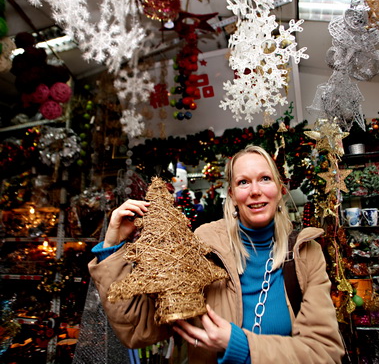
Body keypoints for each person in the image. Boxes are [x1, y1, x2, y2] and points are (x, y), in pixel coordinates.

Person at [89, 145, 345, 363]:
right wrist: (112, 244)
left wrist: (240, 345)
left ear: (280, 189)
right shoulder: (204, 248)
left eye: (265, 179)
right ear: (232, 195)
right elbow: (137, 329)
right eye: (243, 182)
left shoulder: (305, 254)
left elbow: (324, 352)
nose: (255, 191)